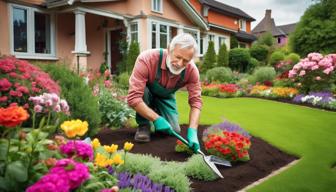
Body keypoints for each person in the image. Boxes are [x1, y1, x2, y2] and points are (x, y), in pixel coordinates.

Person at [127, 33, 202, 153]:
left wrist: (193, 131)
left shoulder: (192, 71)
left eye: (185, 61)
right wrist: (156, 119)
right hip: (145, 93)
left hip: (166, 97)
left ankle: (153, 111)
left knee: (174, 130)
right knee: (144, 93)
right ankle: (144, 125)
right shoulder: (147, 59)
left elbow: (196, 102)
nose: (179, 64)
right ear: (169, 49)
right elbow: (133, 98)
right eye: (177, 57)